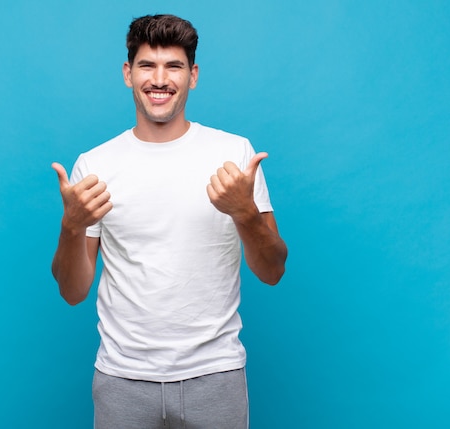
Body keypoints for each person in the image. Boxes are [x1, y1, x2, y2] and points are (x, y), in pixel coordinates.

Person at [51, 14, 287, 429]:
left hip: (216, 375)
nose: (159, 79)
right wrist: (71, 227)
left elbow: (272, 271)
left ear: (192, 76)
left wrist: (245, 213)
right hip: (122, 379)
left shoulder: (234, 155)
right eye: (147, 65)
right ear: (128, 73)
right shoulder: (95, 164)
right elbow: (73, 292)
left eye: (173, 66)